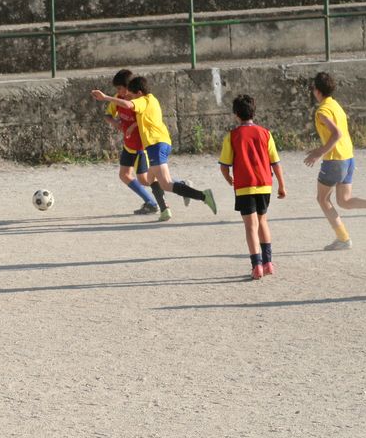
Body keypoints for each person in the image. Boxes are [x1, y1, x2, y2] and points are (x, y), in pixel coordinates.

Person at [91, 75, 216, 221]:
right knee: (150, 179)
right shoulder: (152, 99)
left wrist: (105, 97)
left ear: (139, 93)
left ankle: (203, 196)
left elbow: (129, 105)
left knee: (166, 183)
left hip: (156, 144)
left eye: (132, 95)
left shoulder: (143, 100)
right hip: (159, 143)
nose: (130, 97)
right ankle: (164, 210)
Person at [302, 71, 366, 250]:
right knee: (344, 200)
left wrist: (319, 152)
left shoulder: (322, 111)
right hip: (348, 157)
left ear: (317, 91)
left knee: (322, 199)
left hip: (335, 160)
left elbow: (337, 133)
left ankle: (343, 238)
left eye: (313, 88)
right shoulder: (335, 104)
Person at [218, 95, 287, 280]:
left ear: (236, 114)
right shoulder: (265, 133)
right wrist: (281, 185)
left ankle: (256, 265)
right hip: (265, 185)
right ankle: (268, 263)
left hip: (244, 186)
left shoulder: (232, 136)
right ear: (254, 112)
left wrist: (229, 179)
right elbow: (275, 162)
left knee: (250, 226)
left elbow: (224, 166)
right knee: (262, 221)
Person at [100, 69, 158, 214]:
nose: (118, 92)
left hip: (140, 146)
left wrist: (133, 126)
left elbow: (147, 118)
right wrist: (115, 123)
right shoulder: (117, 99)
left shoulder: (138, 101)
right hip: (128, 145)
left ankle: (178, 184)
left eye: (120, 88)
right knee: (124, 175)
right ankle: (151, 202)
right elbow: (107, 115)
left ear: (129, 88)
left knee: (145, 179)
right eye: (117, 89)